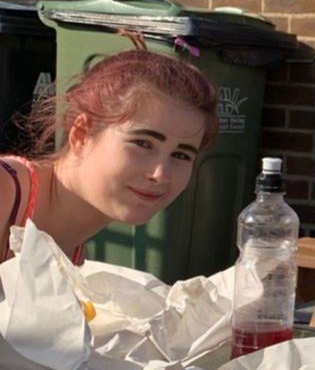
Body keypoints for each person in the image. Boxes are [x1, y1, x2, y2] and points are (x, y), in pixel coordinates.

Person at [1, 48, 218, 265]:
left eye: (181, 155)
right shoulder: (6, 192)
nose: (160, 174)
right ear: (81, 134)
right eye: (143, 143)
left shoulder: (73, 251)